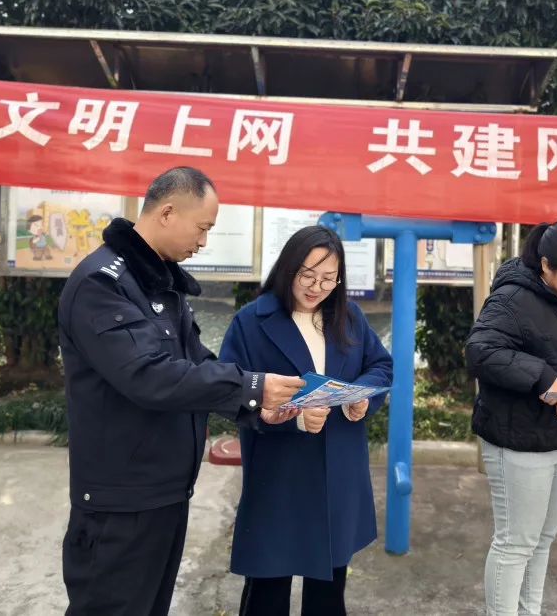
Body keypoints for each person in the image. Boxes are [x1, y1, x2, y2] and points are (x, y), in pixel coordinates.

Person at [58, 166, 305, 616]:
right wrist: (251, 388)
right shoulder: (102, 284)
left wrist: (255, 404)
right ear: (168, 213)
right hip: (121, 503)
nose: (204, 242)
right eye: (202, 228)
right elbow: (148, 376)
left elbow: (195, 364)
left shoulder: (159, 282)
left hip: (165, 493)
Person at [219, 225, 393, 616]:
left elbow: (380, 366)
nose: (317, 287)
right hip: (280, 475)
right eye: (308, 276)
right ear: (288, 269)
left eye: (329, 279)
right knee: (267, 593)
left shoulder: (348, 317)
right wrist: (290, 418)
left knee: (328, 595)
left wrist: (361, 398)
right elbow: (228, 391)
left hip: (337, 473)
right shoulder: (251, 322)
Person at [465, 219, 557, 616]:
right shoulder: (513, 298)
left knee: (542, 539)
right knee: (516, 543)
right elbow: (480, 351)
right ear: (545, 265)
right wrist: (539, 374)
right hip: (520, 438)